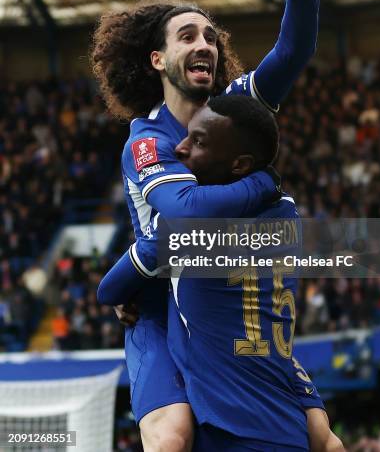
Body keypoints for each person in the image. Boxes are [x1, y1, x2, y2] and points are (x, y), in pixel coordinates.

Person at [91, 0, 322, 451]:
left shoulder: (234, 106)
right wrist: (263, 185)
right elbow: (185, 214)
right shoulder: (146, 138)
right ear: (158, 59)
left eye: (211, 37)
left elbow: (292, 52)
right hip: (158, 296)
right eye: (188, 35)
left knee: (318, 435)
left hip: (225, 293)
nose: (205, 45)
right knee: (173, 434)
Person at [98, 96, 344, 451]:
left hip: (231, 430)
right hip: (287, 417)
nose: (179, 149)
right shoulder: (287, 213)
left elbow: (108, 290)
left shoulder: (185, 229)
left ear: (239, 164)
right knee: (327, 439)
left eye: (198, 142)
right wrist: (264, 181)